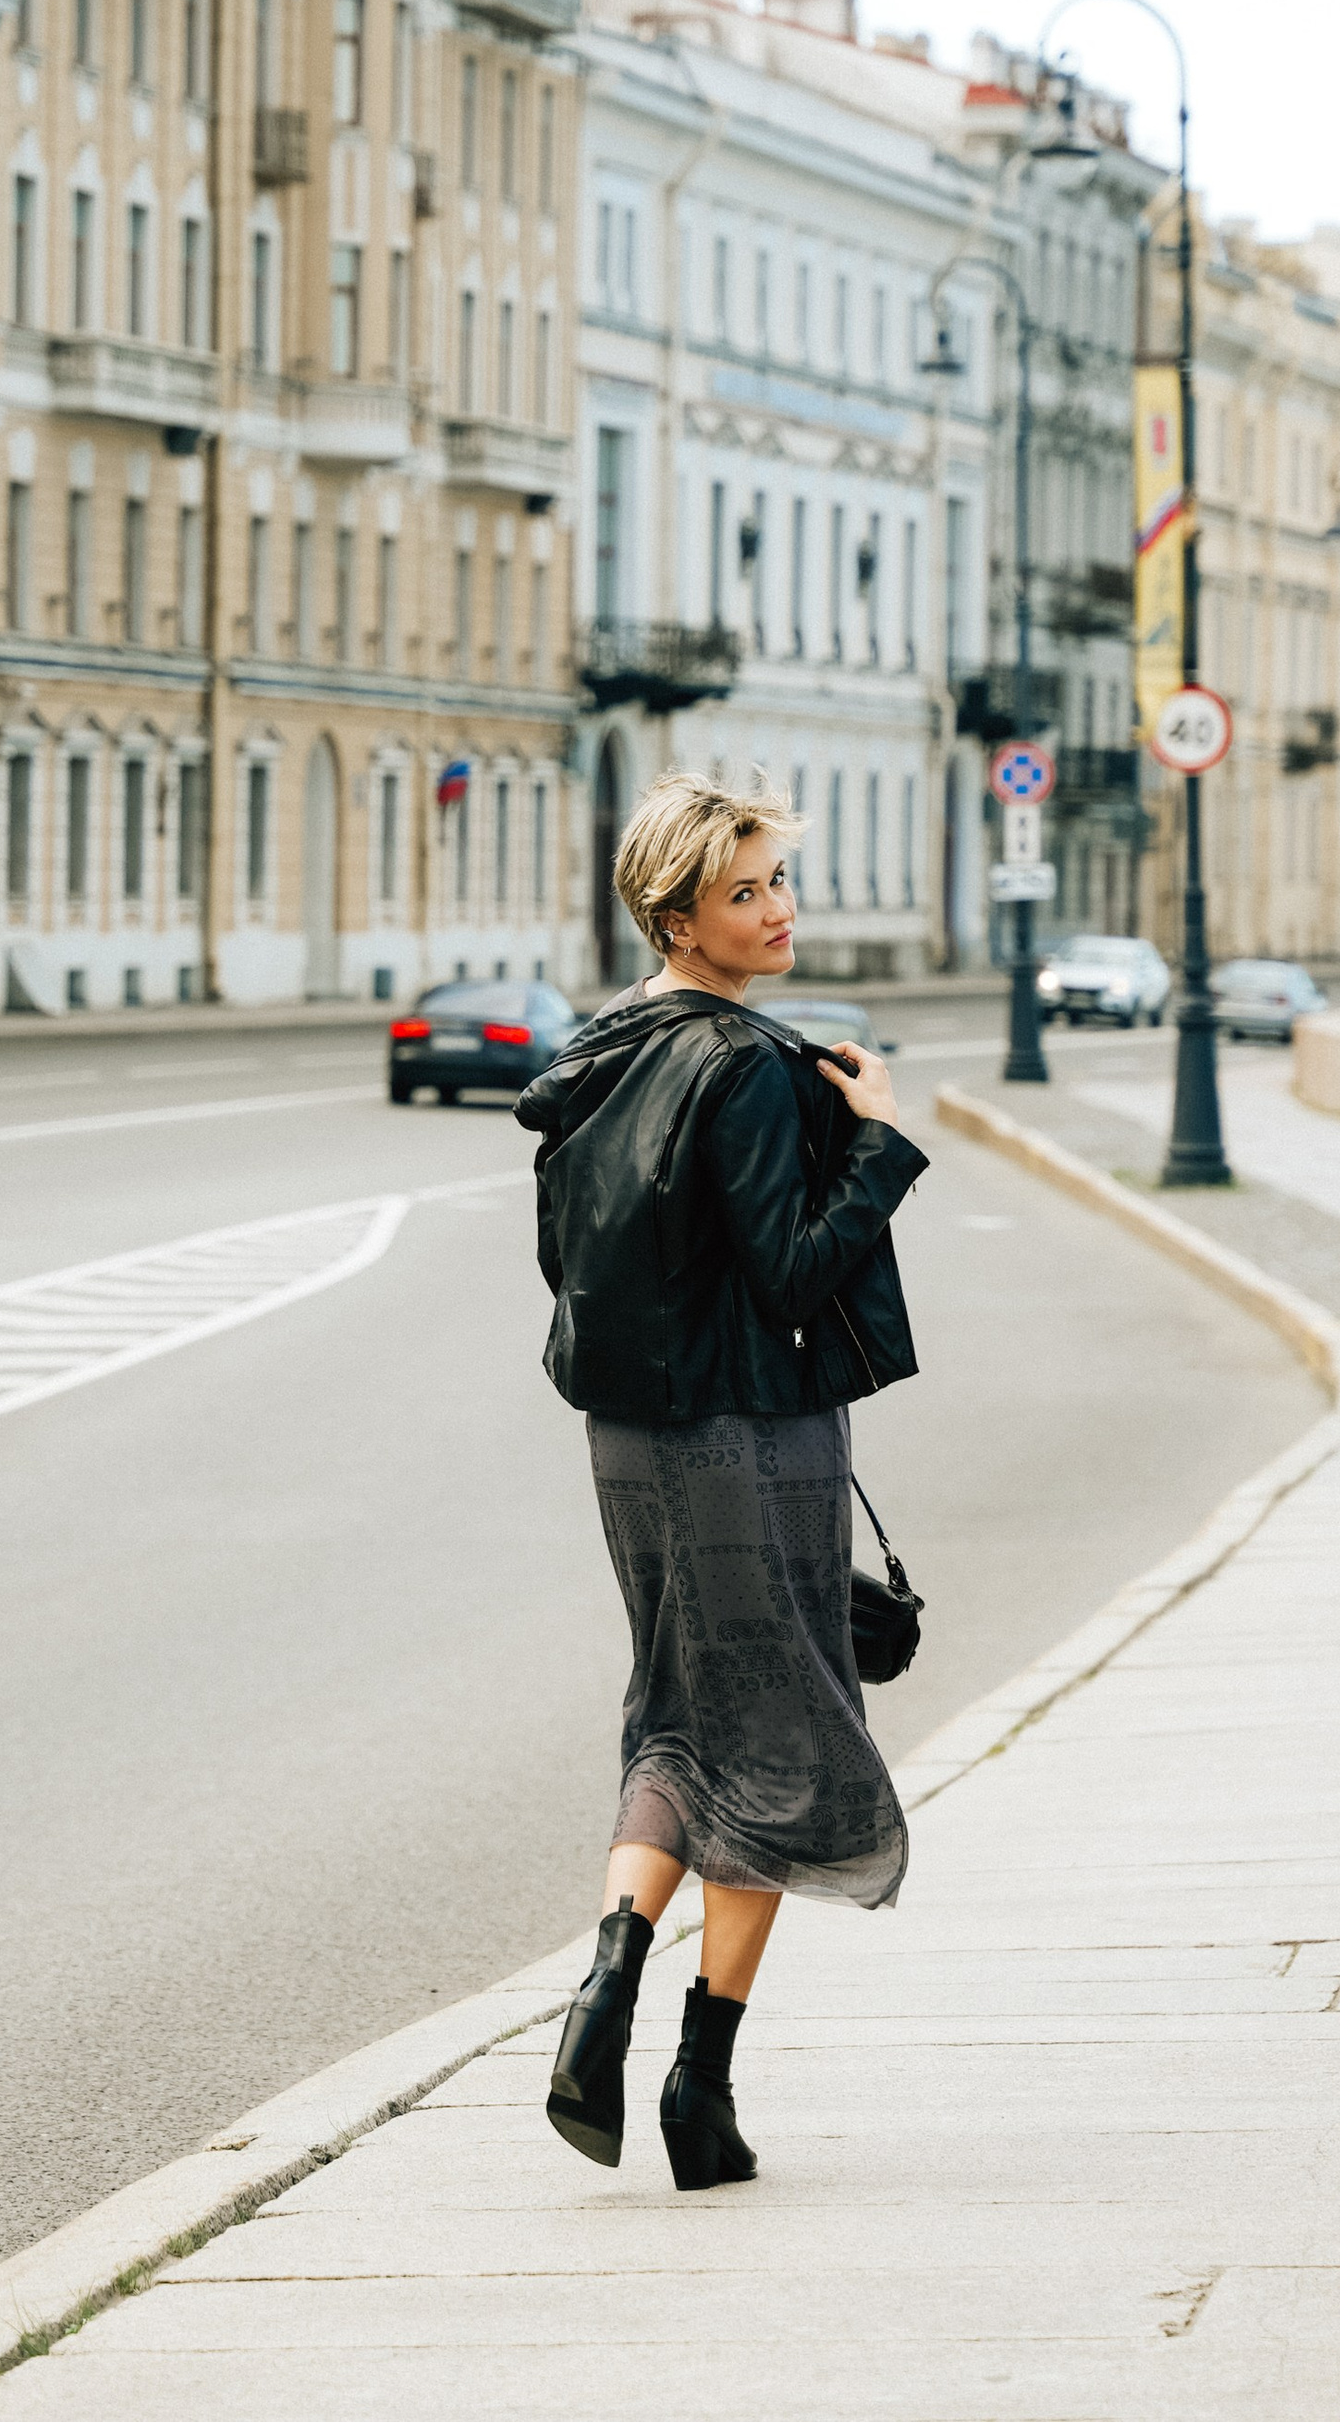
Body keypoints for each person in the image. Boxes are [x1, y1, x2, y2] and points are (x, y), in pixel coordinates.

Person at [514, 771, 929, 2190]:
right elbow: (798, 1268)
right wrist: (875, 1142)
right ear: (677, 915)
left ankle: (600, 2002)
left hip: (630, 1436)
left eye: (776, 883)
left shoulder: (599, 1051)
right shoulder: (745, 1062)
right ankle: (698, 2084)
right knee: (777, 1738)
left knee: (676, 1716)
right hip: (749, 1430)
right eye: (744, 892)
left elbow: (568, 1264)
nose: (776, 911)